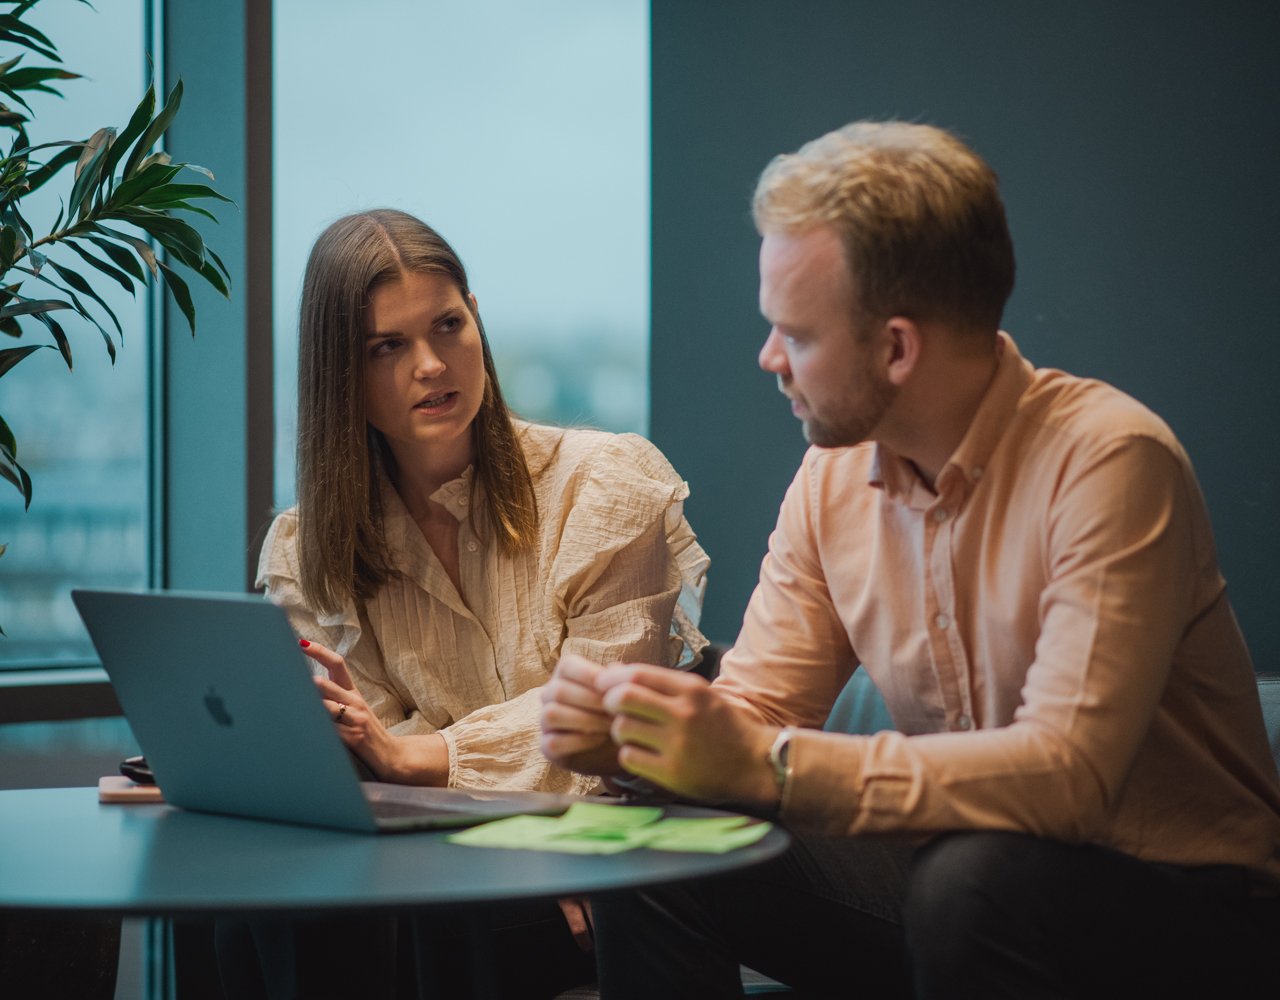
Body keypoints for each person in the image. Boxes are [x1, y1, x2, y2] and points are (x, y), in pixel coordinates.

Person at [540, 121, 1280, 998]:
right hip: (962, 891)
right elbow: (758, 710)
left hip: (1186, 908)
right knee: (663, 834)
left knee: (976, 880)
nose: (769, 358)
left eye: (797, 335)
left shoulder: (1111, 461)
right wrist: (645, 741)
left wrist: (767, 764)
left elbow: (1067, 780)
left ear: (897, 347)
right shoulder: (832, 476)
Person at [220, 208, 709, 1000]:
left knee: (405, 928)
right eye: (388, 345)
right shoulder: (307, 546)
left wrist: (434, 757)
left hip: (594, 855)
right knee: (262, 912)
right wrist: (444, 788)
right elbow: (366, 754)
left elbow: (602, 727)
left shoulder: (605, 485)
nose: (430, 364)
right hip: (440, 862)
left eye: (448, 325)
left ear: (477, 321)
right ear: (338, 370)